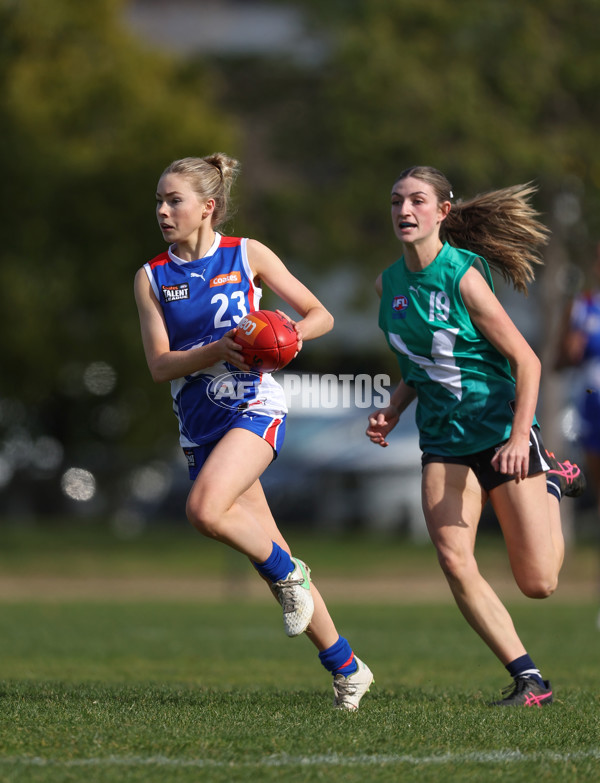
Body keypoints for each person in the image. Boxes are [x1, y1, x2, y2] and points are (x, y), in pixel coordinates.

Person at [134, 153, 373, 710]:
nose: (164, 211)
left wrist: (283, 335)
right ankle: (346, 667)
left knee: (204, 511)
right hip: (200, 428)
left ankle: (291, 574)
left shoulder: (247, 255)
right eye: (160, 201)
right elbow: (160, 366)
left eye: (175, 200)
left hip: (254, 407)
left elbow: (320, 315)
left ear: (207, 208)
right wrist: (217, 349)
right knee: (270, 553)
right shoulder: (151, 277)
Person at [366, 165, 585, 707]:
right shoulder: (386, 284)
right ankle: (530, 679)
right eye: (396, 201)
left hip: (499, 432)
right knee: (454, 559)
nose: (404, 211)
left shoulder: (464, 275)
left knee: (538, 583)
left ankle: (552, 481)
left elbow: (527, 361)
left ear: (443, 212)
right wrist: (393, 407)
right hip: (443, 440)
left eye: (417, 200)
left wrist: (518, 437)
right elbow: (422, 364)